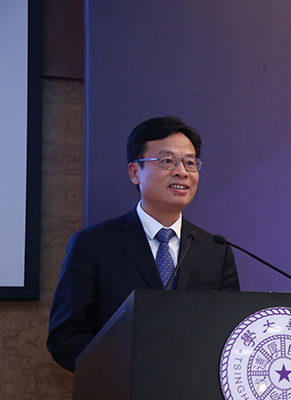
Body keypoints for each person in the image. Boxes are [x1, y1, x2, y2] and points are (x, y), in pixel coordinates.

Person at [47, 116, 240, 372]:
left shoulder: (215, 250)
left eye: (190, 162)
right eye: (167, 161)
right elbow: (66, 336)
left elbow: (231, 331)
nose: (181, 171)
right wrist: (130, 366)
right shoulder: (93, 245)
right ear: (135, 172)